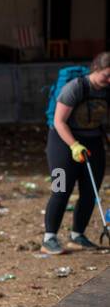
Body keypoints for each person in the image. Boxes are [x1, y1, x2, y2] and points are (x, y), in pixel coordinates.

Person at [43, 51, 110, 253]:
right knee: (60, 189)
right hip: (62, 144)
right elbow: (59, 121)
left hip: (93, 142)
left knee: (90, 192)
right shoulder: (75, 88)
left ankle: (77, 235)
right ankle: (49, 238)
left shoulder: (107, 90)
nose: (109, 79)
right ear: (95, 69)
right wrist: (73, 145)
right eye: (106, 75)